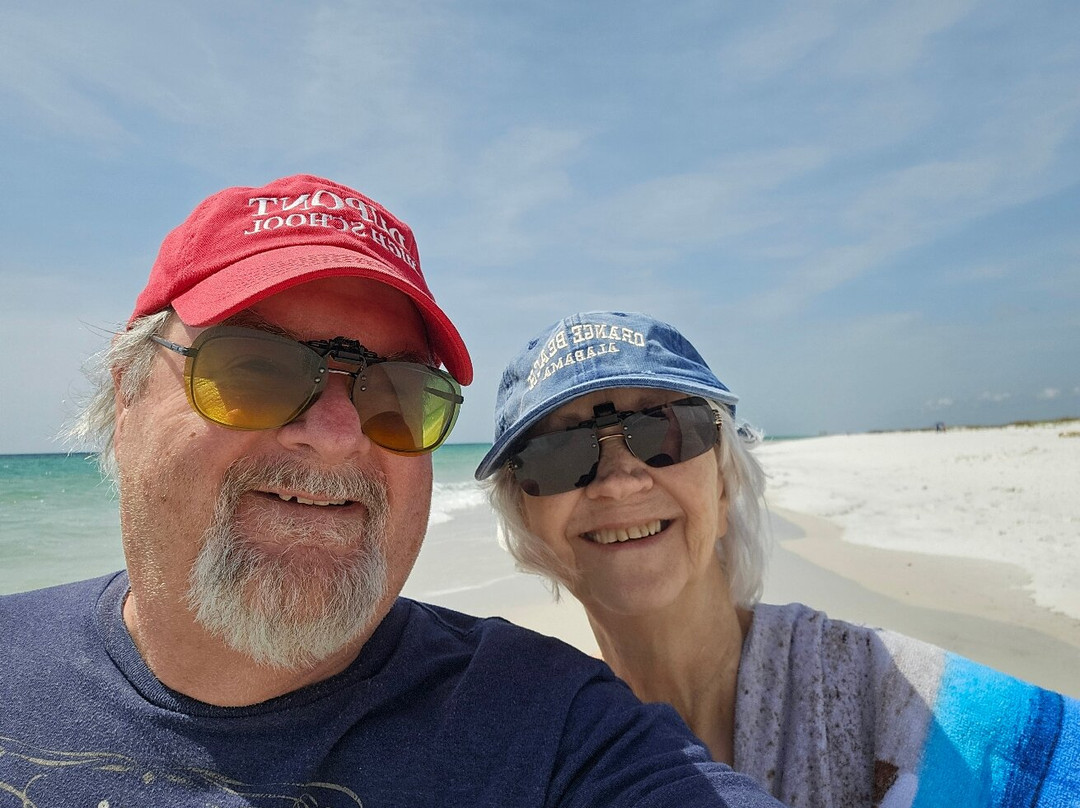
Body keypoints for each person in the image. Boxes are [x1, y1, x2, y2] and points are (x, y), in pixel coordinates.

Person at [0, 179, 790, 808]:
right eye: (252, 371)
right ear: (128, 397)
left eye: (397, 393)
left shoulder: (550, 727)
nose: (339, 433)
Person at [476, 310, 1080, 808]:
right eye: (559, 451)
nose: (618, 480)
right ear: (524, 517)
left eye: (662, 431)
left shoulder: (889, 693)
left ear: (723, 477)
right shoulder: (546, 747)